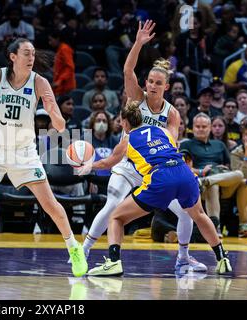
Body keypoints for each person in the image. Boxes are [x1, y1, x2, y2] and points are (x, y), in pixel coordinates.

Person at [78, 20, 207, 273]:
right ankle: (83, 252)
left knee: (185, 212)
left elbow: (169, 142)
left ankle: (183, 258)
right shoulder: (137, 99)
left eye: (157, 83)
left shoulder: (172, 114)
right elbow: (128, 71)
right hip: (128, 163)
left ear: (166, 87)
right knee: (113, 202)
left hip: (155, 169)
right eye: (149, 81)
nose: (151, 85)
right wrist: (138, 43)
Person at [0, 38, 88, 279]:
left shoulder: (39, 82)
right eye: (26, 53)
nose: (31, 58)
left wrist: (54, 113)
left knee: (50, 204)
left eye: (33, 53)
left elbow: (59, 124)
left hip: (24, 151)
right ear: (13, 56)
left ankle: (74, 249)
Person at [87, 100, 232, 276]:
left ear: (124, 122)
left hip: (161, 177)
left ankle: (114, 262)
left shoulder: (127, 140)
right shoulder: (162, 131)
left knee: (116, 217)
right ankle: (222, 258)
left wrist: (87, 166)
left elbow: (106, 163)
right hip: (184, 172)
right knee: (199, 216)